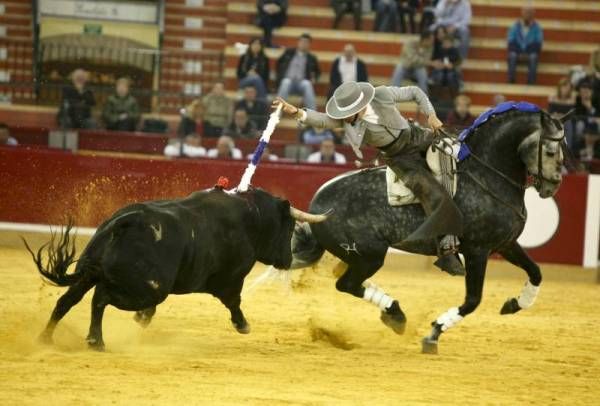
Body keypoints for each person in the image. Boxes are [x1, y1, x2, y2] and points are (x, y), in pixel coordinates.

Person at [273, 81, 465, 275]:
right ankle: (447, 247)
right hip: (401, 160)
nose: (344, 119)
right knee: (431, 191)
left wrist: (431, 114)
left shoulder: (382, 94)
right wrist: (297, 112)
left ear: (360, 107)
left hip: (419, 136)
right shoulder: (346, 121)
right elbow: (323, 120)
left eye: (347, 114)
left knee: (460, 150)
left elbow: (415, 92)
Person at [276, 33, 320, 111]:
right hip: (288, 81)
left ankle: (313, 114)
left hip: (301, 84)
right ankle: (278, 112)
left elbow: (317, 72)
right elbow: (278, 64)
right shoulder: (288, 53)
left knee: (307, 84)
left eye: (306, 42)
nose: (303, 44)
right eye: (302, 42)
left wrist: (314, 78)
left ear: (309, 45)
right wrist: (280, 75)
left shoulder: (311, 58)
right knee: (285, 82)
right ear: (298, 42)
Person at [507, 6, 543, 85]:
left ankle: (531, 83)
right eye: (526, 12)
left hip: (530, 53)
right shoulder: (514, 26)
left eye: (530, 13)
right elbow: (511, 41)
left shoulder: (537, 28)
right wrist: (519, 53)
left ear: (533, 14)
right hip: (517, 52)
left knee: (534, 57)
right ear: (522, 13)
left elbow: (538, 44)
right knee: (512, 55)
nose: (528, 15)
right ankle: (511, 81)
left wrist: (527, 53)